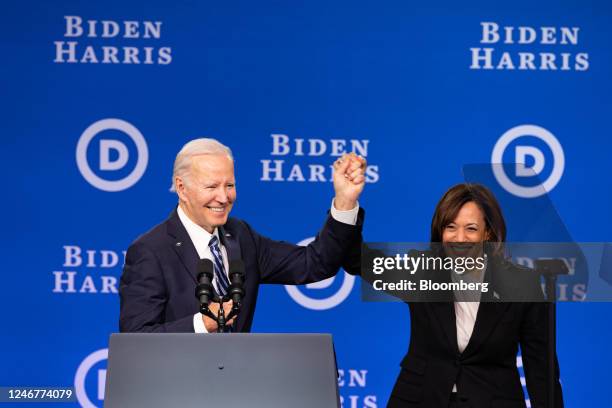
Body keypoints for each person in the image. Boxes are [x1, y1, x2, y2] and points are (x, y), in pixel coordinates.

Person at [119, 138, 366, 333]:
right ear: (182, 188)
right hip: (176, 391)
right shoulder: (151, 250)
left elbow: (314, 264)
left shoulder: (241, 236)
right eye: (211, 186)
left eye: (229, 185)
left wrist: (344, 202)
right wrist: (201, 325)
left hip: (237, 387)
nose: (224, 197)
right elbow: (136, 337)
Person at [356, 184, 563, 408]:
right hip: (421, 399)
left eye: (471, 228)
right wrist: (346, 204)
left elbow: (541, 369)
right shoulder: (421, 270)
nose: (459, 238)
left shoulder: (522, 284)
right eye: (451, 227)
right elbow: (359, 261)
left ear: (488, 233)